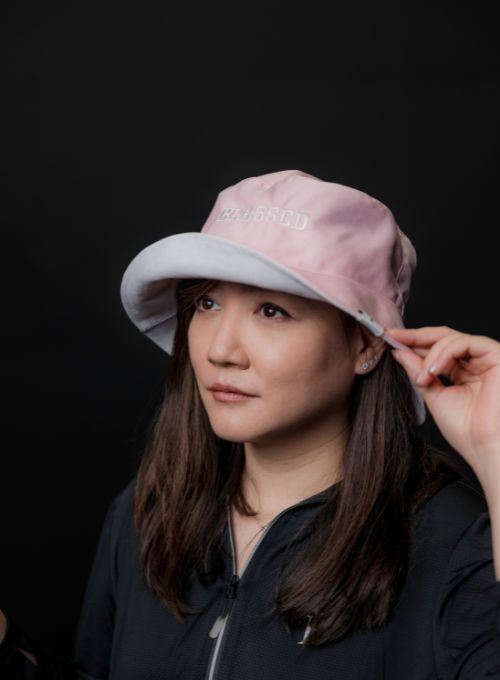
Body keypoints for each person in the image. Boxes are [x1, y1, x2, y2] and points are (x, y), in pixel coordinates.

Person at [1, 169, 500, 679]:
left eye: (271, 311)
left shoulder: (454, 543)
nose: (220, 350)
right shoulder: (148, 510)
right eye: (207, 303)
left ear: (367, 344)